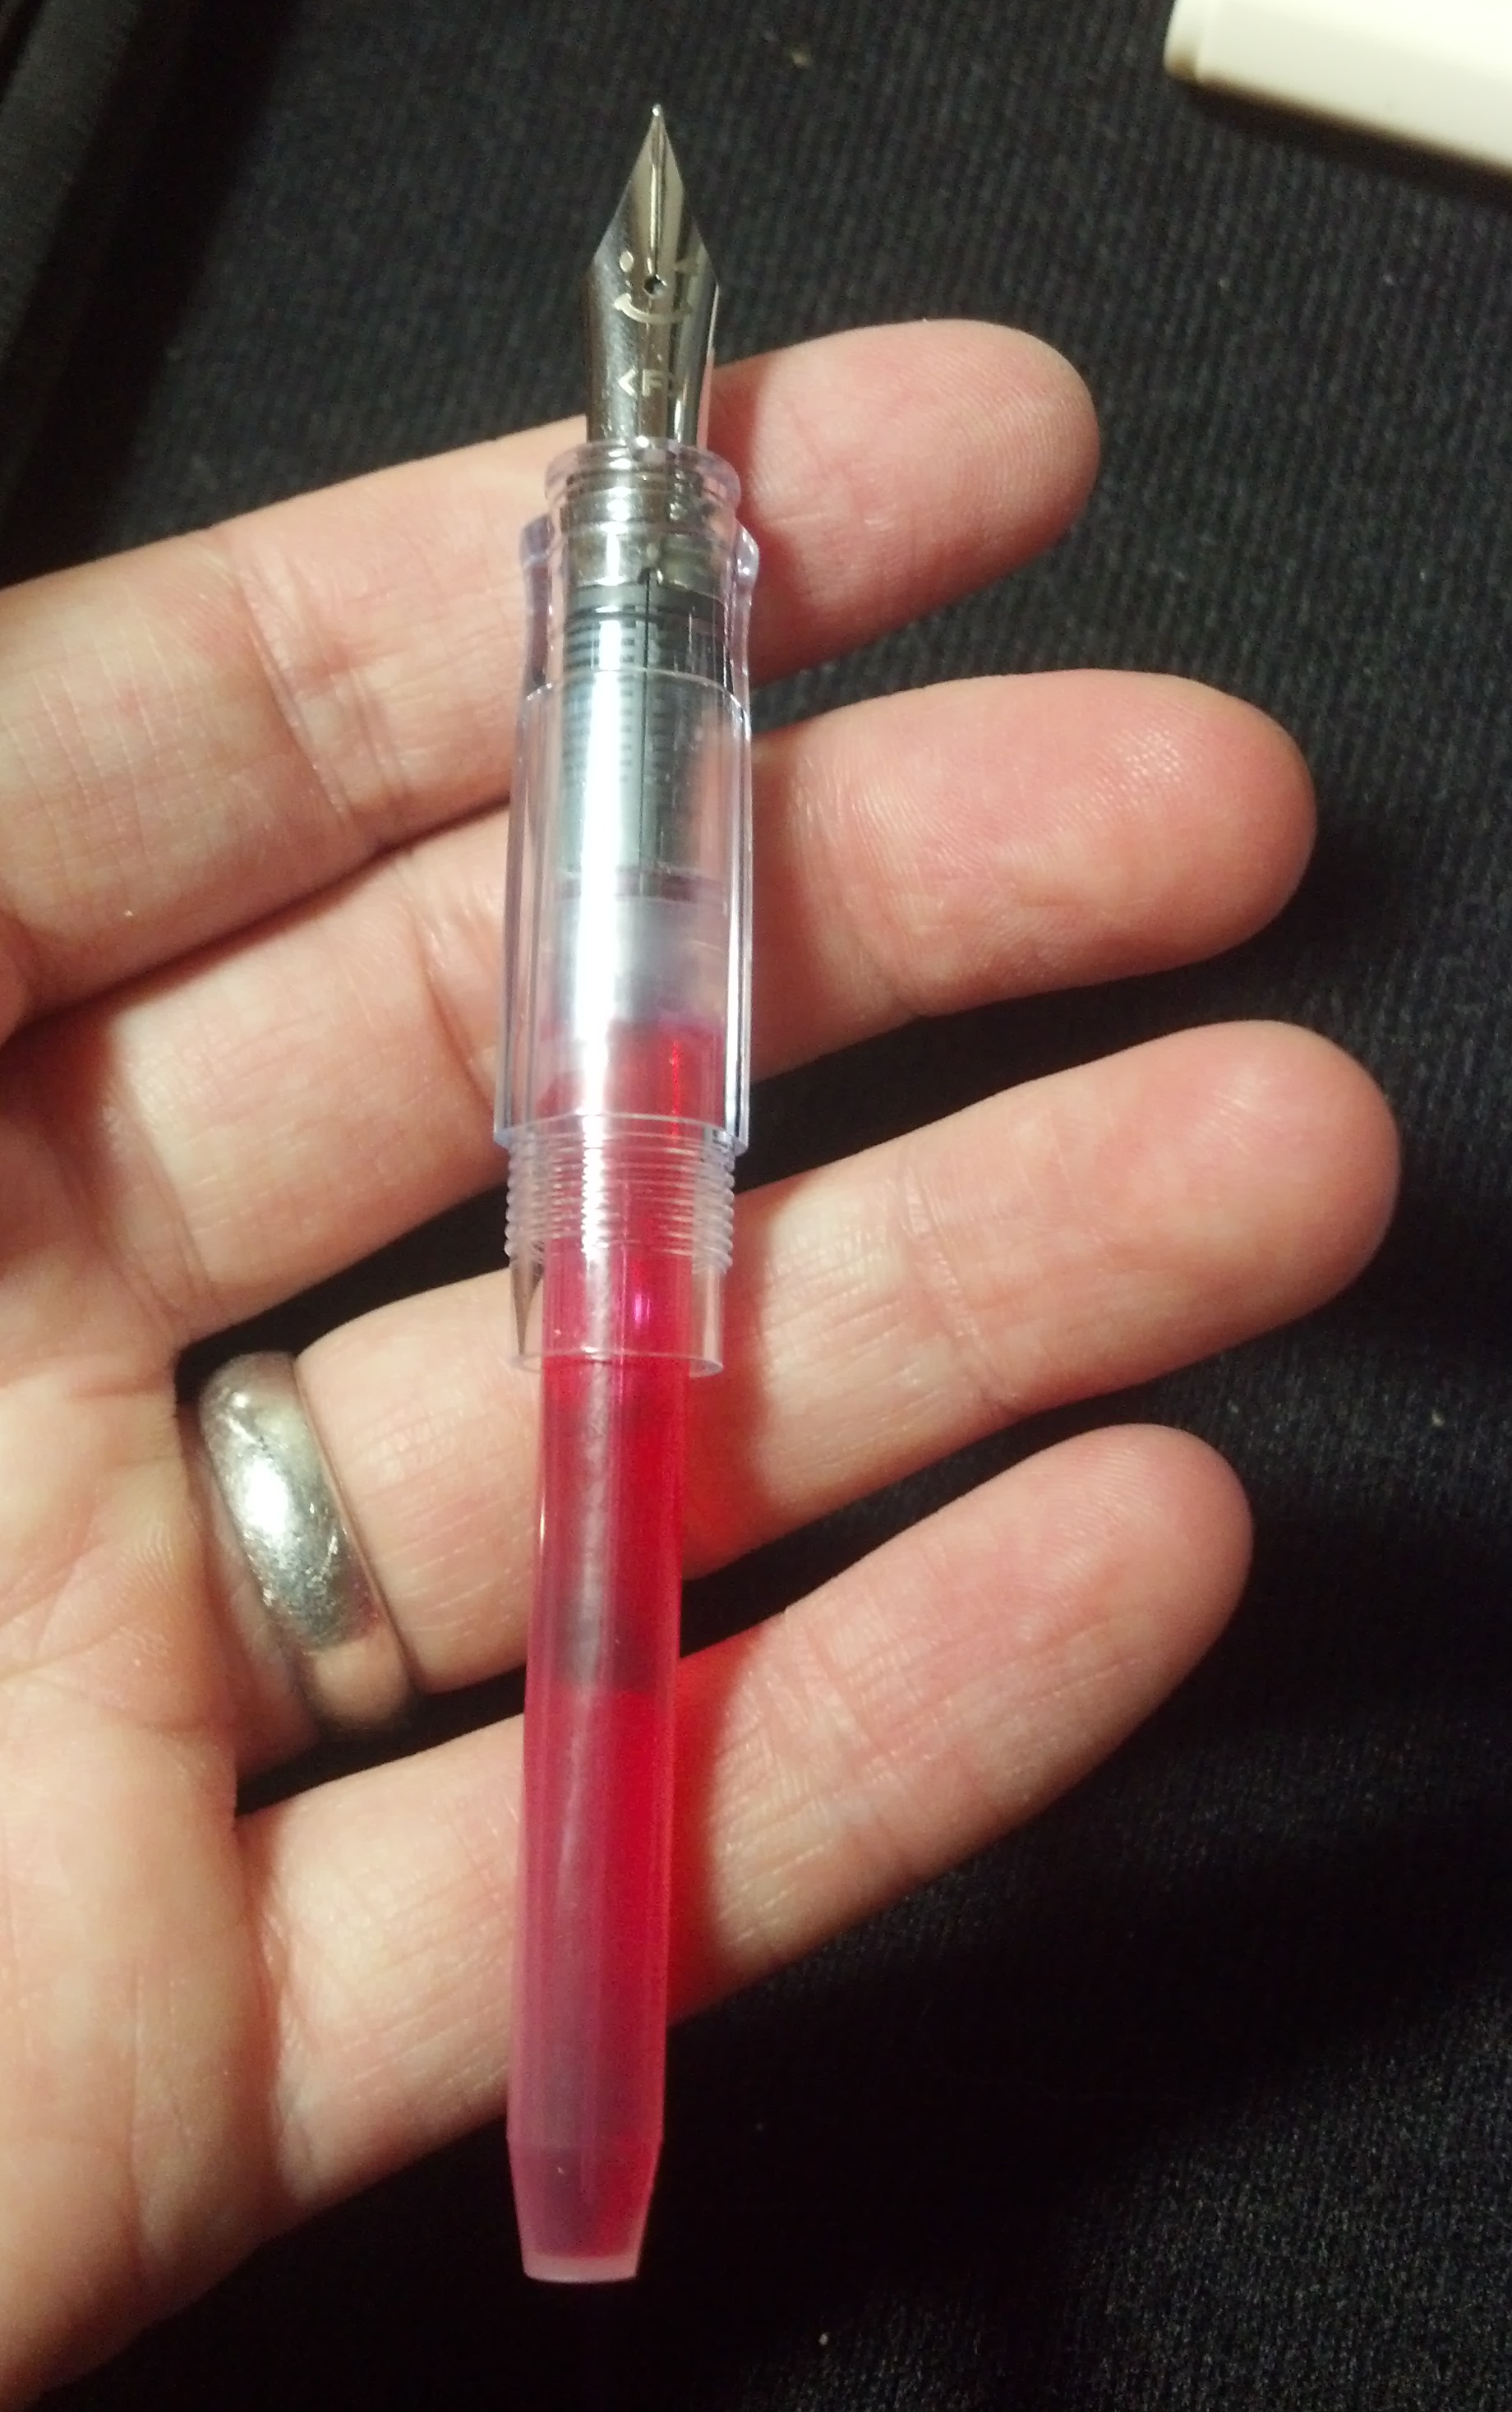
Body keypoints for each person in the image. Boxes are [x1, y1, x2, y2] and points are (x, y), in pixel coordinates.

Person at [0, 319, 1396, 2400]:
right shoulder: (613, 630)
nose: (647, 300)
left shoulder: (653, 642)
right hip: (599, 1177)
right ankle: (578, 2207)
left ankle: (589, 2211)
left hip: (632, 1177)